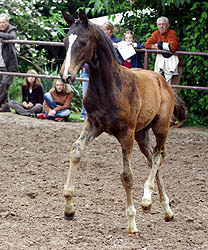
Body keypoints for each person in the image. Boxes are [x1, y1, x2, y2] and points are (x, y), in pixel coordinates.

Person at [145, 16, 182, 86]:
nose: (161, 26)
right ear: (157, 26)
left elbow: (173, 47)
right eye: (159, 24)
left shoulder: (172, 33)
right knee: (158, 86)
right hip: (160, 65)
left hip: (174, 65)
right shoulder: (156, 33)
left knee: (173, 89)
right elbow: (147, 45)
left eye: (163, 24)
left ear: (167, 25)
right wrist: (160, 47)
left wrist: (160, 45)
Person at [0, 13, 18, 112]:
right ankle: (5, 105)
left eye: (3, 22)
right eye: (0, 23)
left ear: (7, 22)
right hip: (0, 62)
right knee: (2, 85)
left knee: (4, 84)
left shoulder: (11, 28)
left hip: (9, 64)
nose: (1, 24)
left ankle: (3, 104)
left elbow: (12, 36)